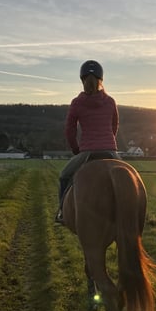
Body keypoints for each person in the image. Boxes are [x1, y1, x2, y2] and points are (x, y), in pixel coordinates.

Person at [56, 60, 120, 223]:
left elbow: (69, 130)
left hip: (87, 152)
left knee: (64, 176)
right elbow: (115, 126)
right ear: (101, 80)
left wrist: (76, 149)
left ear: (82, 80)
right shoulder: (111, 101)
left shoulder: (77, 103)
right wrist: (109, 142)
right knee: (131, 177)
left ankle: (62, 212)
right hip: (110, 151)